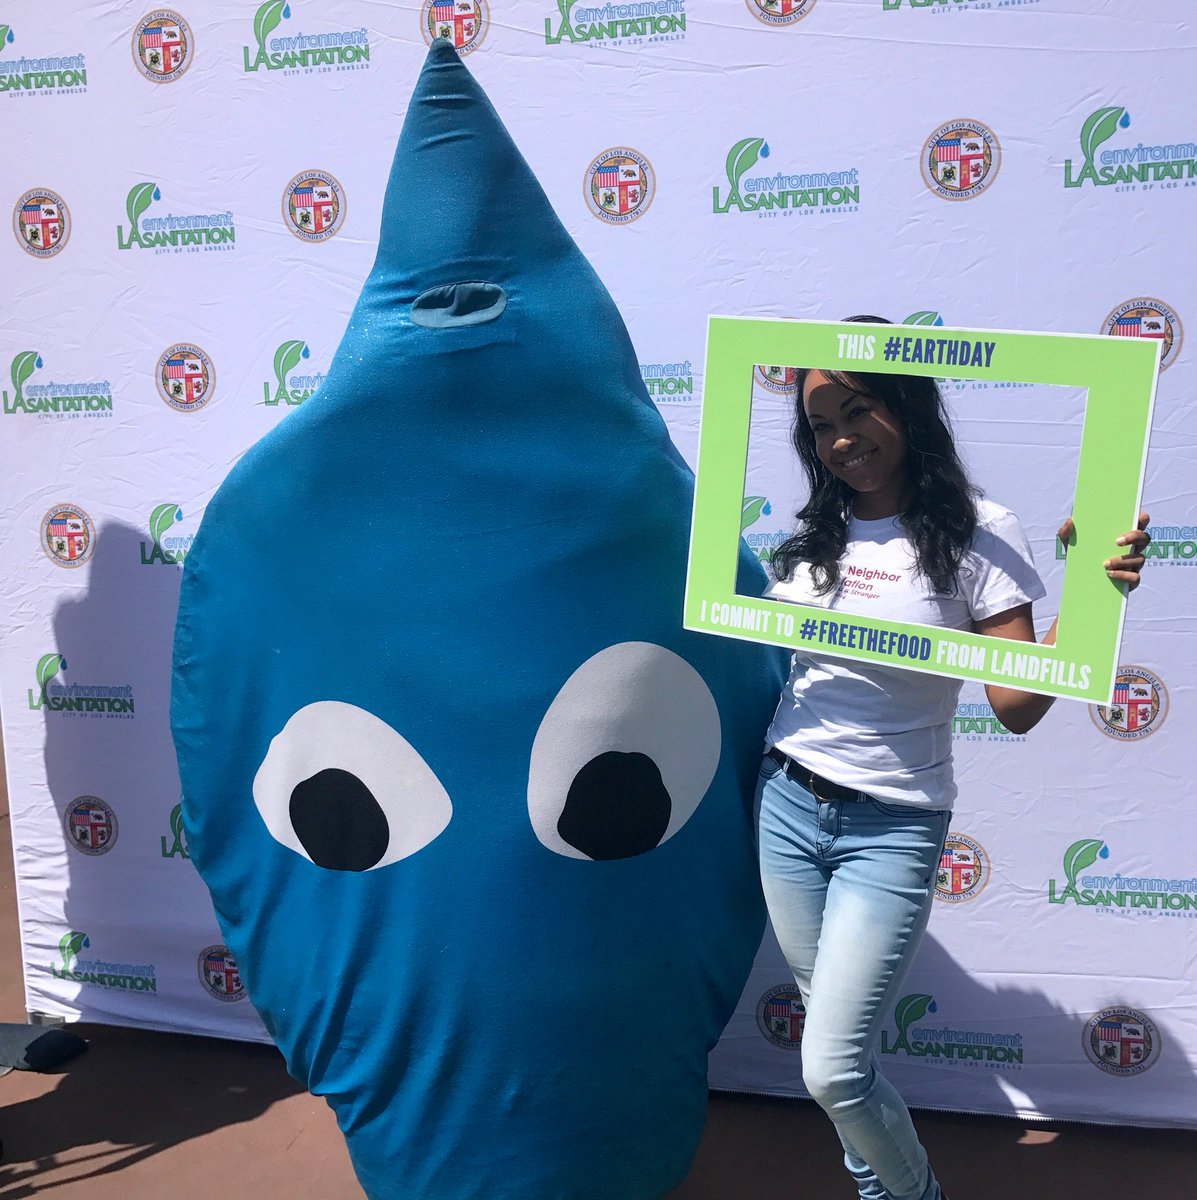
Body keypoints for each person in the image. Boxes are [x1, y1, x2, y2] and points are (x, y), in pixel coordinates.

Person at [756, 325, 1150, 1200]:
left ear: (905, 405)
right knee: (841, 1058)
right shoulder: (813, 532)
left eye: (857, 409)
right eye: (820, 424)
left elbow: (1015, 706)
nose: (841, 439)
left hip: (891, 822)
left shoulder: (978, 532)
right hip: (784, 802)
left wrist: (1092, 598)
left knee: (830, 1069)